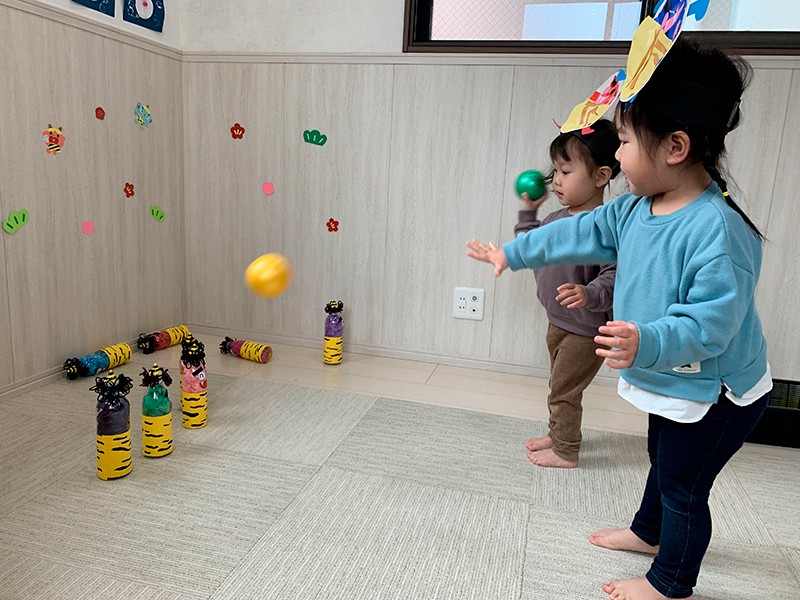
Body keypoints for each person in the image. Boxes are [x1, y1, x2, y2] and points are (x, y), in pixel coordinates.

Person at [467, 38, 770, 600]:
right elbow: (577, 230)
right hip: (673, 375)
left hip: (718, 392)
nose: (620, 153)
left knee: (683, 486)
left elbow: (711, 325)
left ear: (675, 146)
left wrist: (646, 340)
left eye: (625, 141)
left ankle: (671, 582)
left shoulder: (716, 230)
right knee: (662, 457)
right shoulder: (634, 207)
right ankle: (648, 532)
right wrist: (514, 253)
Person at [516, 120, 620, 469]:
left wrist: (589, 293)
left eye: (566, 171)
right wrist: (529, 212)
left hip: (585, 330)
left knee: (565, 390)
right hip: (558, 321)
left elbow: (615, 275)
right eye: (555, 171)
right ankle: (559, 432)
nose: (556, 180)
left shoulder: (602, 227)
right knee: (559, 385)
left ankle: (566, 450)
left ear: (601, 176)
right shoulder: (555, 218)